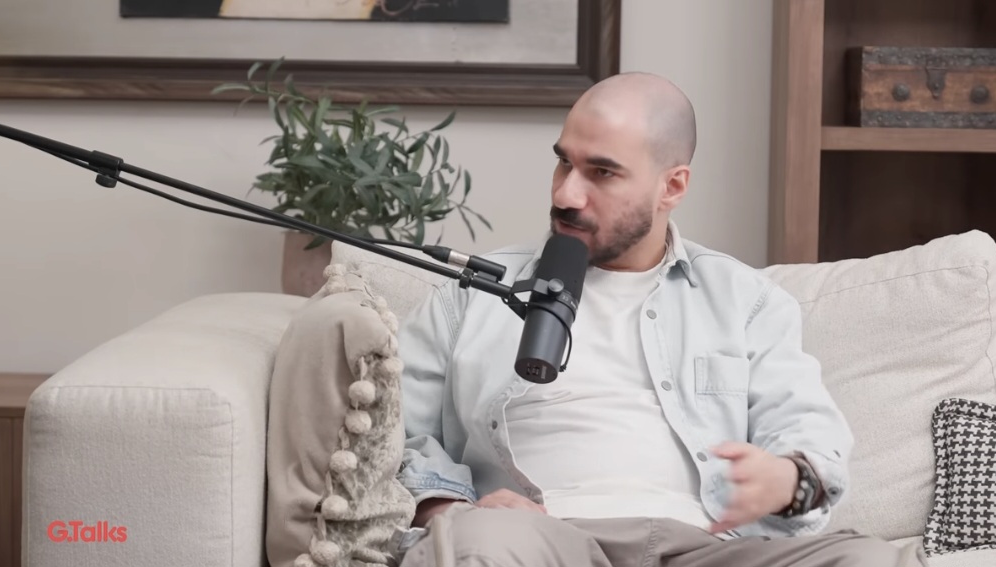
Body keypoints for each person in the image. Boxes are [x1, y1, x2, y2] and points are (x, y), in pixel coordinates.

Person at [392, 72, 927, 567]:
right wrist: (448, 508)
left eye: (602, 172)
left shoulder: (746, 302)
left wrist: (789, 479)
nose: (565, 194)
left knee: (870, 561)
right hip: (542, 541)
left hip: (704, 547)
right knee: (477, 544)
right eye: (564, 163)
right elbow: (392, 438)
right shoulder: (469, 296)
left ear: (671, 186)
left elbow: (807, 431)